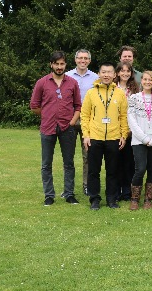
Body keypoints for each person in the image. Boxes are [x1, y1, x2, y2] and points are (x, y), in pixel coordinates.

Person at [30, 51, 82, 206]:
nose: (59, 67)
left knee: (69, 163)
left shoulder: (72, 83)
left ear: (66, 64)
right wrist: (46, 115)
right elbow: (34, 106)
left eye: (62, 64)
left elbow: (78, 106)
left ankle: (69, 194)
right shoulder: (42, 82)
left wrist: (72, 122)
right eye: (56, 64)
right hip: (47, 128)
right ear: (51, 64)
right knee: (46, 163)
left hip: (68, 127)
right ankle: (49, 195)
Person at [81, 63, 129, 210]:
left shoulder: (120, 93)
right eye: (103, 72)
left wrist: (124, 135)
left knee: (113, 170)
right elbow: (85, 115)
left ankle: (111, 198)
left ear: (115, 75)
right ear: (99, 74)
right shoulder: (91, 93)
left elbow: (123, 116)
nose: (106, 75)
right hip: (95, 137)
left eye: (109, 72)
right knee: (93, 170)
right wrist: (86, 135)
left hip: (114, 137)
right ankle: (94, 198)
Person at [127, 71, 152, 210]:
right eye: (145, 79)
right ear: (141, 81)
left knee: (151, 169)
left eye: (150, 80)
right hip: (139, 140)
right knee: (140, 168)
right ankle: (134, 199)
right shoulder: (134, 98)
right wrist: (144, 138)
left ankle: (148, 199)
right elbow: (131, 120)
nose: (147, 82)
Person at [66, 49, 98, 196]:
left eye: (86, 58)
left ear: (89, 61)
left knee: (88, 155)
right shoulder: (67, 76)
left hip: (89, 121)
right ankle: (69, 188)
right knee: (69, 155)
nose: (83, 61)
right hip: (71, 120)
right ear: (75, 60)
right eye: (80, 58)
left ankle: (87, 185)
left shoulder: (95, 78)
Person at [115, 62, 139, 202]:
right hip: (115, 130)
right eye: (122, 71)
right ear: (117, 73)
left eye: (128, 71)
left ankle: (127, 191)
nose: (125, 73)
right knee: (116, 163)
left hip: (131, 130)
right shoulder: (113, 88)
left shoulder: (135, 89)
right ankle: (116, 191)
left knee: (129, 163)